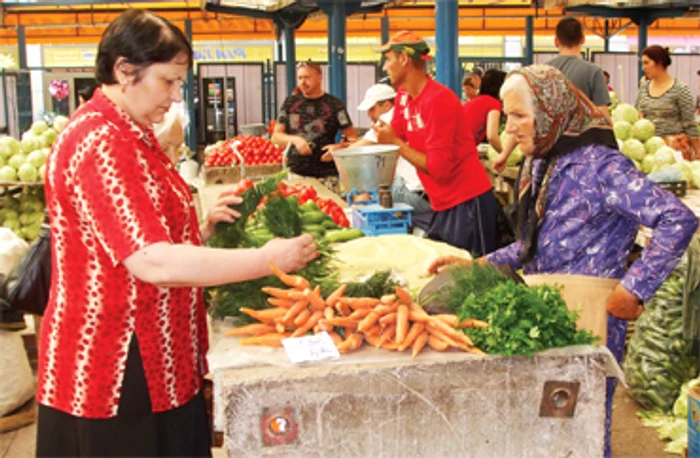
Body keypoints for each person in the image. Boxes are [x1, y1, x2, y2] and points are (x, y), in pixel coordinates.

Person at [36, 10, 317, 457]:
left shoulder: (131, 131)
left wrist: (200, 230)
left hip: (155, 357)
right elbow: (153, 261)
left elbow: (133, 236)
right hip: (116, 370)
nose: (175, 96)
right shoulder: (100, 143)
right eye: (168, 81)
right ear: (124, 71)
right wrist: (268, 258)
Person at [428, 65, 698, 458]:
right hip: (550, 314)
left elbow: (678, 218)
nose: (511, 127)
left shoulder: (602, 167)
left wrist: (635, 288)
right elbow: (530, 247)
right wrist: (476, 265)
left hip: (589, 320)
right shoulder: (545, 161)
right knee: (552, 431)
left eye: (520, 115)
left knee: (582, 431)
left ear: (551, 111)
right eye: (507, 116)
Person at [372, 30, 499, 255]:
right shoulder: (403, 97)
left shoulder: (438, 100)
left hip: (468, 203)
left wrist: (396, 143)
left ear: (404, 59)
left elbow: (439, 169)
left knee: (471, 277)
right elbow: (396, 132)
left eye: (388, 59)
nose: (384, 67)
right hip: (442, 203)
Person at [493, 16, 612, 172]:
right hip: (577, 158)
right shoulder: (593, 72)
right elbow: (604, 119)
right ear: (583, 40)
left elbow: (524, 118)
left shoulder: (541, 74)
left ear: (556, 41)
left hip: (543, 158)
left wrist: (505, 154)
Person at [344, 83, 432, 217]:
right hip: (429, 195)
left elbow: (353, 152)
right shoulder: (410, 113)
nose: (369, 114)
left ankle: (359, 211)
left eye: (372, 109)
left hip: (412, 195)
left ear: (387, 105)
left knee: (370, 173)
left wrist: (338, 150)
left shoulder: (387, 119)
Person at [271, 60, 358, 193]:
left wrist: (338, 148)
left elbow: (353, 139)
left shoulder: (335, 105)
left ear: (319, 78)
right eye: (300, 78)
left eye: (307, 77)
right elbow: (276, 136)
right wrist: (296, 140)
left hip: (327, 176)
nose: (302, 82)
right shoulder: (290, 103)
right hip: (296, 174)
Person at [635, 45, 700, 160]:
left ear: (659, 63)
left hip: (675, 152)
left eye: (646, 63)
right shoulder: (643, 88)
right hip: (650, 152)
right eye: (642, 63)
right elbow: (638, 117)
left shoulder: (680, 89)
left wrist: (698, 150)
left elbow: (689, 123)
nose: (643, 68)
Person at [462, 68, 506, 152]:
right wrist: (504, 154)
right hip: (457, 151)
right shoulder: (494, 104)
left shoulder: (477, 101)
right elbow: (492, 136)